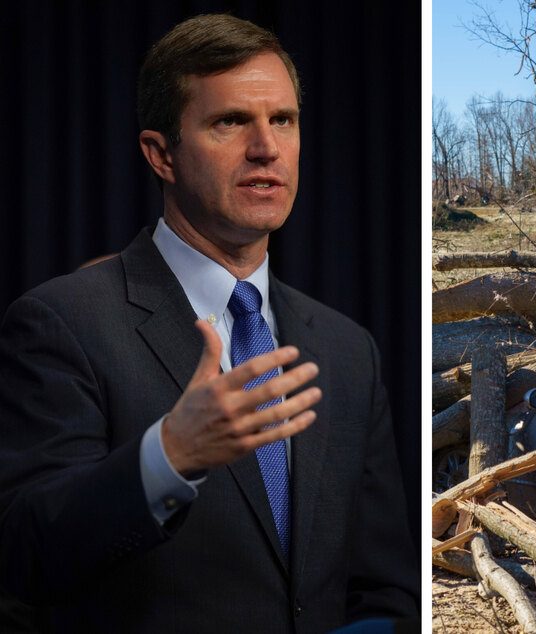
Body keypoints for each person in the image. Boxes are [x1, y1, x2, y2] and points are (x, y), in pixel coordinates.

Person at [0, 14, 418, 633]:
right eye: (230, 122)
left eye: (283, 120)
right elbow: (22, 559)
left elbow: (384, 592)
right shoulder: (63, 322)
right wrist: (169, 456)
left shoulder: (348, 349)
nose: (266, 147)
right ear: (161, 154)